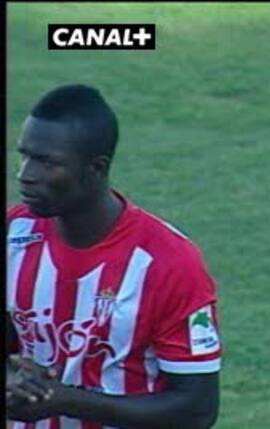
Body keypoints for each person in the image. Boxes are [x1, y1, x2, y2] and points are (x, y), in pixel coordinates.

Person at [6, 84, 222, 429]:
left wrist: (66, 401)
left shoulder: (168, 262)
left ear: (96, 168)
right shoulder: (14, 235)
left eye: (47, 162)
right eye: (25, 156)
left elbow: (197, 409)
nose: (26, 175)